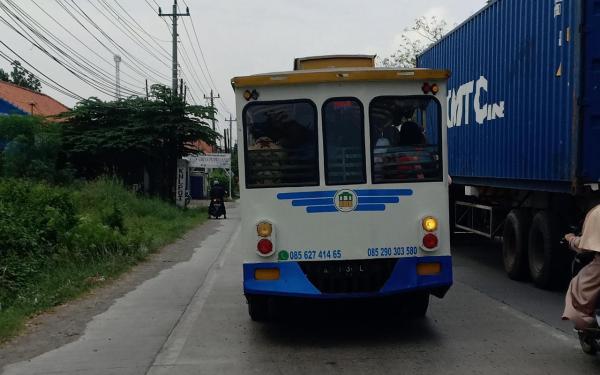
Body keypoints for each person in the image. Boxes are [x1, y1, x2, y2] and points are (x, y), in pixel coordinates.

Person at [562, 204, 600, 329]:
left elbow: (584, 245)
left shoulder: (596, 213)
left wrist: (571, 239)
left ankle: (586, 321)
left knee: (578, 287)